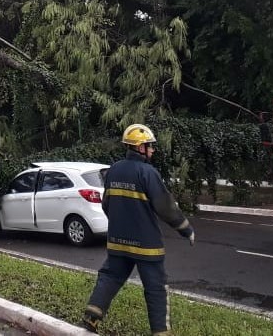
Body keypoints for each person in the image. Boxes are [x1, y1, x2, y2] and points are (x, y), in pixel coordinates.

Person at [80, 124, 195, 335]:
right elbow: (166, 207)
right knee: (156, 288)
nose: (152, 150)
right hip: (146, 245)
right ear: (140, 147)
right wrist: (185, 229)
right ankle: (160, 332)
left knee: (110, 277)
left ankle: (91, 317)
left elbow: (107, 204)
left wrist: (120, 223)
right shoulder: (148, 172)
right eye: (150, 146)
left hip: (118, 241)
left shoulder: (114, 169)